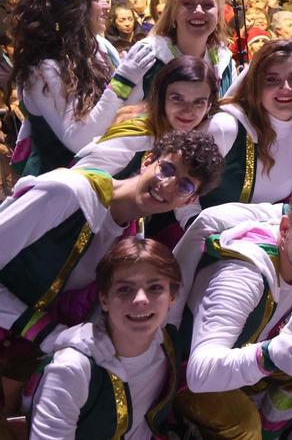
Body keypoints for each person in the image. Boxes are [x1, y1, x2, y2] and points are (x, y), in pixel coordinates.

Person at [0, 130, 221, 394]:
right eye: (166, 169)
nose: (167, 185)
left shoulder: (132, 236)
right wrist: (46, 332)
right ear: (148, 160)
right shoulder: (66, 193)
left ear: (191, 200)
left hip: (20, 354)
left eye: (184, 186)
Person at [173, 183, 292, 439]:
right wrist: (267, 356)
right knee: (246, 427)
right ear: (285, 229)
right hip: (179, 371)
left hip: (248, 349)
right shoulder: (243, 277)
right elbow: (199, 373)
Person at [25, 238, 187, 440]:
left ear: (172, 297)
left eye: (155, 288)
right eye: (125, 289)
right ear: (104, 300)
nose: (140, 300)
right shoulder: (73, 369)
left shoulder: (168, 345)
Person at [10, 0, 157, 176]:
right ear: (72, 9)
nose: (106, 6)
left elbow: (120, 111)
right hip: (61, 192)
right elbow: (79, 140)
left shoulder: (101, 46)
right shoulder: (43, 69)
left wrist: (135, 79)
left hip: (106, 179)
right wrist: (124, 79)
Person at [181, 40, 292, 224]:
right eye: (272, 79)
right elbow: (180, 189)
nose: (286, 88)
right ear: (256, 85)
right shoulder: (225, 128)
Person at [74, 55, 219, 180]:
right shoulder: (137, 137)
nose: (188, 110)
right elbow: (77, 181)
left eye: (199, 102)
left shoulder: (188, 136)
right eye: (177, 99)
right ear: (161, 97)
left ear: (209, 105)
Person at [120, 0, 235, 104]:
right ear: (173, 11)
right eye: (188, 3)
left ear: (219, 13)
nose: (198, 10)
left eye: (207, 5)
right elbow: (117, 113)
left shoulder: (224, 60)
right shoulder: (147, 54)